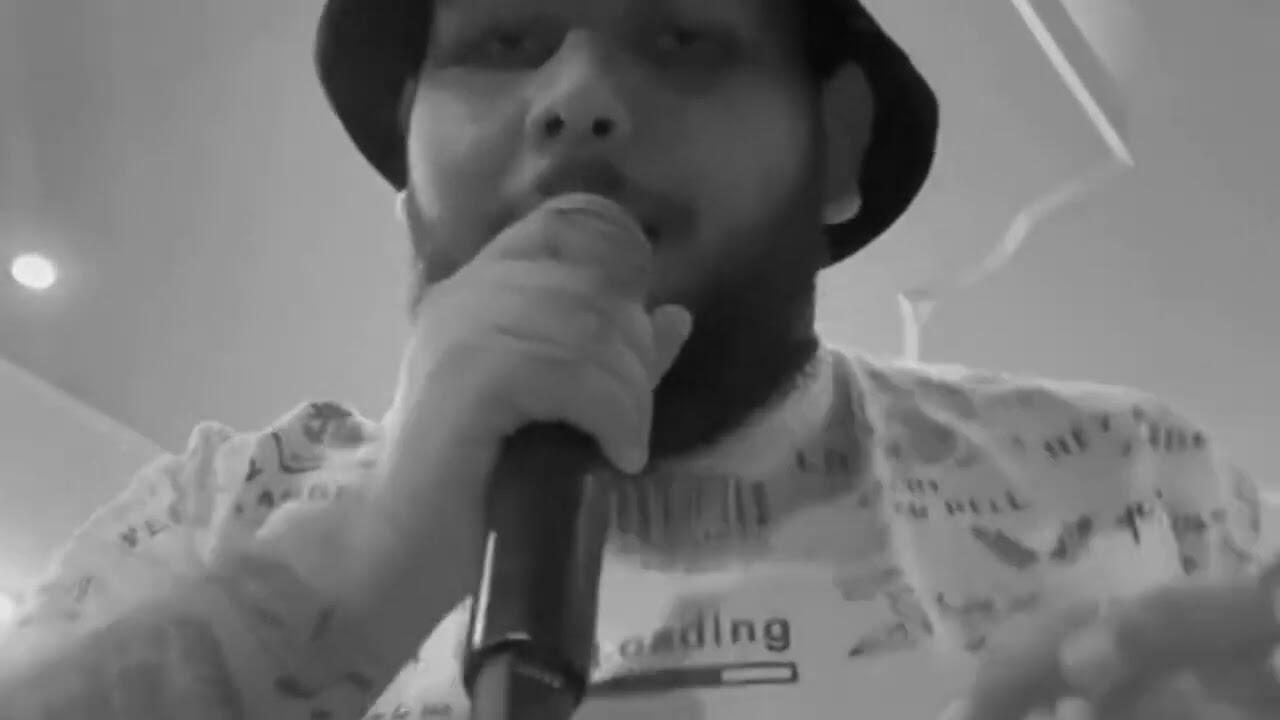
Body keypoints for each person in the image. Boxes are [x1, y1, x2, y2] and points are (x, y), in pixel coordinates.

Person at [0, 0, 1274, 718]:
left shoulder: (1131, 481)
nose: (578, 98)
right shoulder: (212, 514)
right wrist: (366, 562)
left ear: (837, 145)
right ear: (408, 165)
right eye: (503, 39)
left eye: (680, 37)